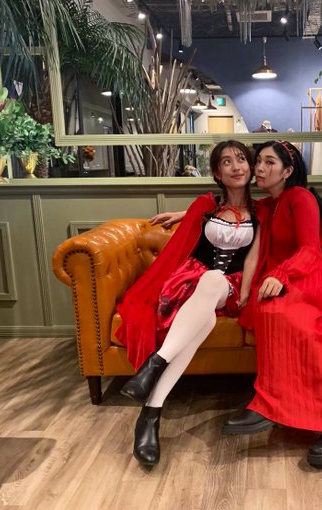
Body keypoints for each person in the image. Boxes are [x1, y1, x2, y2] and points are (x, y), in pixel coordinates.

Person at [155, 140, 322, 468]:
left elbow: (311, 250)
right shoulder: (270, 204)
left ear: (287, 171)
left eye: (268, 163)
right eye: (258, 162)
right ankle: (275, 402)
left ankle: (301, 411)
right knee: (266, 308)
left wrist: (281, 274)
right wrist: (185, 215)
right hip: (301, 269)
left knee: (279, 310)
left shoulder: (300, 197)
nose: (259, 169)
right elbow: (229, 208)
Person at [115, 140, 258, 467]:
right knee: (203, 321)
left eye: (241, 159)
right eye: (226, 162)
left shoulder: (263, 212)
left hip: (233, 285)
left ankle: (154, 365)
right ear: (217, 173)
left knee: (214, 279)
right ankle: (150, 413)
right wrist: (186, 214)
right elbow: (199, 216)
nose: (236, 166)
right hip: (196, 281)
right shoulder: (206, 206)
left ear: (251, 168)